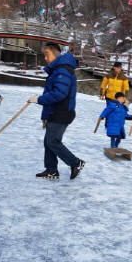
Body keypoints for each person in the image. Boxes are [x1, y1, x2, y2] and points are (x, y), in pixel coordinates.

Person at [28, 42, 85, 180]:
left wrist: (39, 100)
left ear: (57, 53)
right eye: (44, 55)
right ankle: (51, 170)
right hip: (56, 111)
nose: (45, 58)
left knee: (53, 141)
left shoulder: (63, 70)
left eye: (47, 54)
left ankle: (75, 162)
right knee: (48, 141)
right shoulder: (59, 69)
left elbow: (60, 93)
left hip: (61, 111)